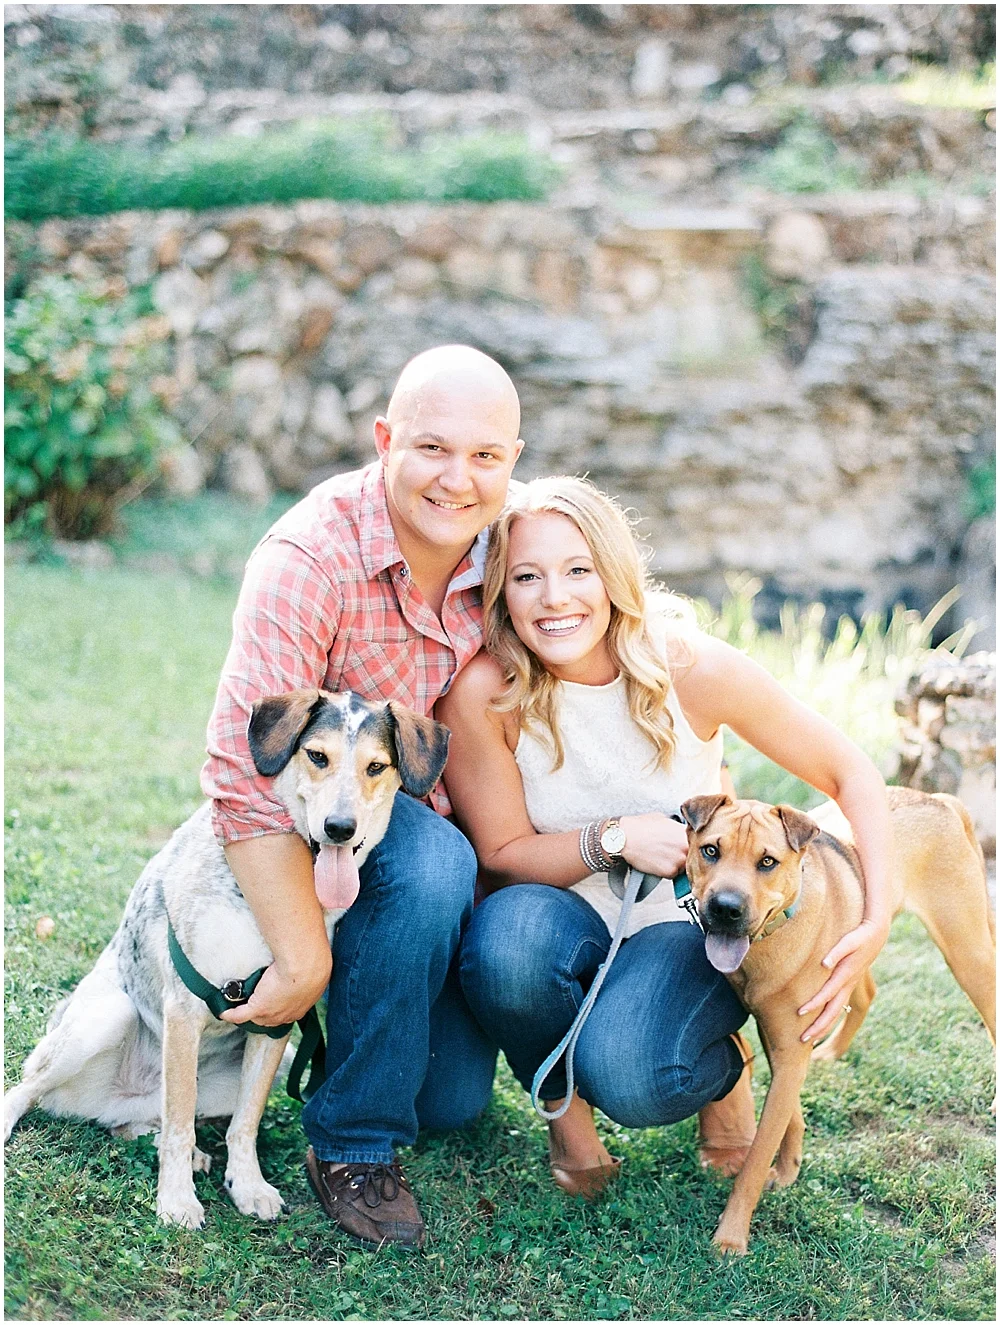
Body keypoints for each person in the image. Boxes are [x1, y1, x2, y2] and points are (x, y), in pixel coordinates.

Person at [439, 476, 892, 1197]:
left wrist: (874, 922)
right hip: (555, 911)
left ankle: (724, 1076)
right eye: (528, 576)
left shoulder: (688, 667)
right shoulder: (485, 693)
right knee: (504, 947)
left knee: (637, 1075)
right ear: (501, 591)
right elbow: (500, 855)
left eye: (578, 570)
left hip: (688, 925)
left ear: (614, 575)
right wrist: (610, 838)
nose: (555, 597)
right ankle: (569, 1128)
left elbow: (853, 772)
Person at [200, 345, 521, 1248]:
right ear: (384, 441)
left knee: (453, 1100)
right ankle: (353, 1145)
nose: (458, 480)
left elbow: (615, 623)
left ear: (512, 461)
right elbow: (239, 768)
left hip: (458, 848)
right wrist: (302, 962)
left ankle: (369, 1036)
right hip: (342, 826)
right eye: (431, 447)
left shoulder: (516, 548)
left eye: (486, 456)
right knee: (429, 860)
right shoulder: (308, 557)